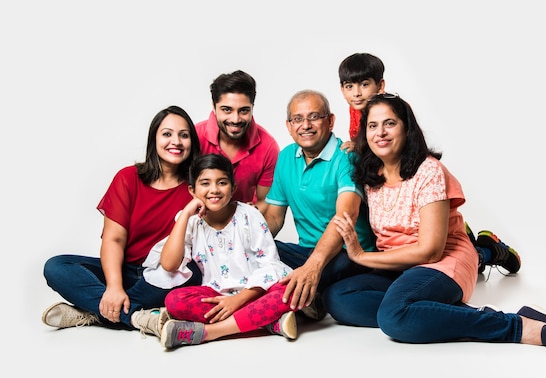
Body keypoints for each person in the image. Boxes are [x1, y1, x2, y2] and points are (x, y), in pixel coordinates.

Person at [323, 93, 546, 354]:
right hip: (398, 265)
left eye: (390, 123)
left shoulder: (428, 170)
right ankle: (436, 310)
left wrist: (361, 256)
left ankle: (520, 326)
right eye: (372, 126)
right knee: (338, 299)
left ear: (407, 127)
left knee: (393, 318)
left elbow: (430, 251)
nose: (381, 132)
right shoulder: (370, 176)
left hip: (442, 262)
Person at [337, 52, 521, 277]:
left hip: (413, 183)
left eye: (364, 85)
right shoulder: (356, 109)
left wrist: (360, 147)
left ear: (381, 85)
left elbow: (404, 144)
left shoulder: (395, 108)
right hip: (387, 190)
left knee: (438, 237)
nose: (357, 93)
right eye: (349, 87)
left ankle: (484, 250)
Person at [42, 105, 203, 338]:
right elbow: (114, 239)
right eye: (167, 134)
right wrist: (114, 287)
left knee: (193, 274)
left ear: (192, 142)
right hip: (124, 271)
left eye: (184, 135)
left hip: (163, 276)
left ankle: (94, 313)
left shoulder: (198, 187)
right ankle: (138, 317)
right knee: (56, 267)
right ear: (154, 139)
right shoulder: (128, 178)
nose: (175, 141)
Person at [148, 154, 296, 349]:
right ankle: (267, 321)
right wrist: (185, 213)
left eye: (222, 182)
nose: (214, 190)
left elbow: (271, 265)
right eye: (205, 183)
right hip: (217, 296)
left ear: (233, 188)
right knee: (174, 301)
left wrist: (238, 300)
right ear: (192, 190)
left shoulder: (249, 215)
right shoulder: (191, 221)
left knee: (290, 290)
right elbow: (168, 264)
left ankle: (209, 333)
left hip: (255, 293)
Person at [262, 89, 376, 320]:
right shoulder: (285, 157)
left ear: (331, 121)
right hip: (306, 252)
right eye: (298, 119)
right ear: (289, 125)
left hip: (347, 255)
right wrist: (243, 246)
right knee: (259, 252)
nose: (306, 125)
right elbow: (273, 218)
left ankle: (295, 301)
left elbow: (345, 216)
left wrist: (313, 267)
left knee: (280, 278)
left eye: (314, 117)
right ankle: (303, 301)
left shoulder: (346, 156)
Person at [195, 70, 280, 214]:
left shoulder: (268, 146)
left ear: (253, 107)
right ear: (213, 107)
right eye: (227, 110)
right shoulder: (194, 137)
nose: (235, 119)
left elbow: (265, 201)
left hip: (242, 228)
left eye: (244, 111)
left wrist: (251, 213)